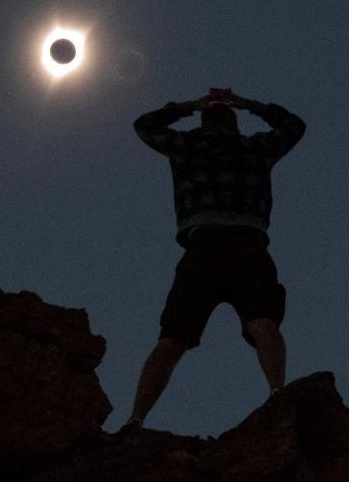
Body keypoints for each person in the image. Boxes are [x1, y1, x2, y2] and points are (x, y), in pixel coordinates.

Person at [122, 89, 306, 432]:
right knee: (263, 322)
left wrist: (190, 105)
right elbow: (294, 126)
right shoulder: (255, 148)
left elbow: (144, 124)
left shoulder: (187, 146)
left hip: (202, 246)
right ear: (234, 123)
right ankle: (278, 392)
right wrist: (250, 103)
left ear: (205, 120)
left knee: (172, 338)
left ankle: (136, 418)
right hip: (248, 246)